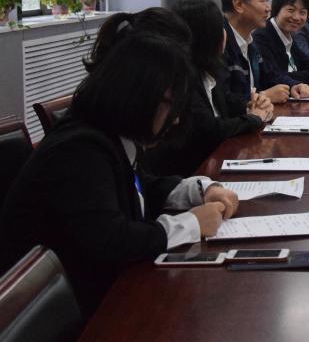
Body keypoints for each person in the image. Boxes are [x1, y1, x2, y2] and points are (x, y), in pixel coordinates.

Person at [0, 33, 238, 315]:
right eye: (171, 106)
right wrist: (191, 224)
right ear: (140, 97)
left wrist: (199, 190)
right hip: (64, 313)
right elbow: (112, 241)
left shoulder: (108, 134)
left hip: (91, 293)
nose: (175, 119)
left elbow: (136, 186)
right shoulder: (80, 149)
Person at [141, 0, 273, 178]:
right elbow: (208, 130)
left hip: (209, 167)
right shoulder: (183, 78)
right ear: (210, 37)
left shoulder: (208, 70)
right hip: (185, 175)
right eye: (221, 28)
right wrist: (253, 118)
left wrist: (251, 104)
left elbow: (226, 100)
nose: (225, 33)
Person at [221, 0, 309, 103]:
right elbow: (221, 101)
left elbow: (270, 76)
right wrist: (263, 96)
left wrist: (294, 85)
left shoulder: (249, 42)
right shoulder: (219, 42)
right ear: (239, 4)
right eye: (263, 1)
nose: (268, 8)